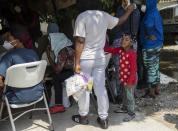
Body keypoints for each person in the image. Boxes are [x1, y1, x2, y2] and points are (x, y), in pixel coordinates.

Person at [73, 0, 135, 129]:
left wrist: (77, 62)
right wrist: (129, 11)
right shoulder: (104, 15)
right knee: (100, 88)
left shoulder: (82, 16)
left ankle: (83, 117)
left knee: (85, 88)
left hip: (85, 61)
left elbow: (80, 40)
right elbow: (119, 21)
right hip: (99, 59)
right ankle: (103, 118)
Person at [0, 28, 44, 104]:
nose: (5, 41)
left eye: (8, 39)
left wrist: (6, 86)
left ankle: (4, 114)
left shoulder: (8, 56)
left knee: (3, 94)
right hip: (38, 93)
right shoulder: (33, 53)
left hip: (19, 97)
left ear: (17, 40)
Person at [104, 33, 137, 122]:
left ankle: (131, 113)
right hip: (123, 79)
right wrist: (102, 48)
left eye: (126, 39)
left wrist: (130, 82)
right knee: (124, 95)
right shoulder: (120, 50)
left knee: (130, 97)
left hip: (130, 81)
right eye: (122, 39)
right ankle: (124, 108)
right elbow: (112, 50)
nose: (123, 41)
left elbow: (133, 70)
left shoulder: (132, 54)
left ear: (131, 43)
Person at [45, 23, 74, 114]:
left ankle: (59, 106)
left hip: (71, 72)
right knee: (55, 74)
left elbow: (58, 70)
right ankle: (59, 104)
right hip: (70, 70)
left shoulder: (62, 51)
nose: (50, 43)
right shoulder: (65, 45)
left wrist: (48, 55)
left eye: (50, 40)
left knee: (56, 77)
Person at [140, 0, 163, 99]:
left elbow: (148, 25)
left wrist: (149, 34)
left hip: (150, 45)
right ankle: (156, 89)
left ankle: (151, 92)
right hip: (158, 43)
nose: (143, 3)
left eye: (144, 1)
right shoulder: (155, 10)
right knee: (155, 67)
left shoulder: (150, 13)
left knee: (150, 69)